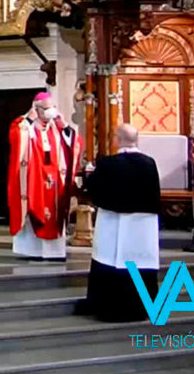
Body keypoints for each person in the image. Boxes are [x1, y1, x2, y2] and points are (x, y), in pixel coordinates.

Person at [76, 124, 161, 322]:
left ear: (117, 139)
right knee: (139, 264)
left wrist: (90, 177)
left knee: (111, 260)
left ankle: (108, 307)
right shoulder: (150, 163)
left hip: (114, 224)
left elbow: (93, 188)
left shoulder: (109, 163)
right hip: (143, 226)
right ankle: (143, 307)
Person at [7, 92, 83, 260]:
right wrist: (29, 120)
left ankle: (54, 252)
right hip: (33, 178)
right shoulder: (24, 123)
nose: (51, 112)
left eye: (52, 107)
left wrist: (64, 126)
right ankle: (30, 251)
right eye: (47, 108)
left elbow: (75, 142)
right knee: (32, 210)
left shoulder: (57, 125)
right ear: (37, 109)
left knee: (55, 213)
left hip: (55, 178)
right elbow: (15, 138)